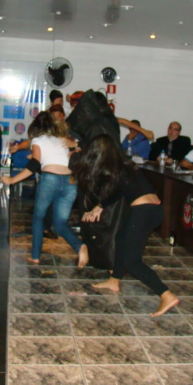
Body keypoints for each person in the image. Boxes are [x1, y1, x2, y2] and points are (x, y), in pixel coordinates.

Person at [73, 134, 179, 317]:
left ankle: (166, 295)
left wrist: (96, 206)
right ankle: (114, 280)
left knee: (132, 261)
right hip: (154, 209)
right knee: (121, 239)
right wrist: (99, 207)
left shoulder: (115, 170)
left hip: (143, 212)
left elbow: (114, 191)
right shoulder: (126, 166)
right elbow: (119, 192)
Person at [1, 111, 88, 266]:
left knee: (39, 217)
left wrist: (12, 180)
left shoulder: (38, 139)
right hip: (70, 181)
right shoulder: (61, 139)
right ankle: (80, 246)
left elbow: (34, 164)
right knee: (60, 224)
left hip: (51, 179)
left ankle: (35, 256)